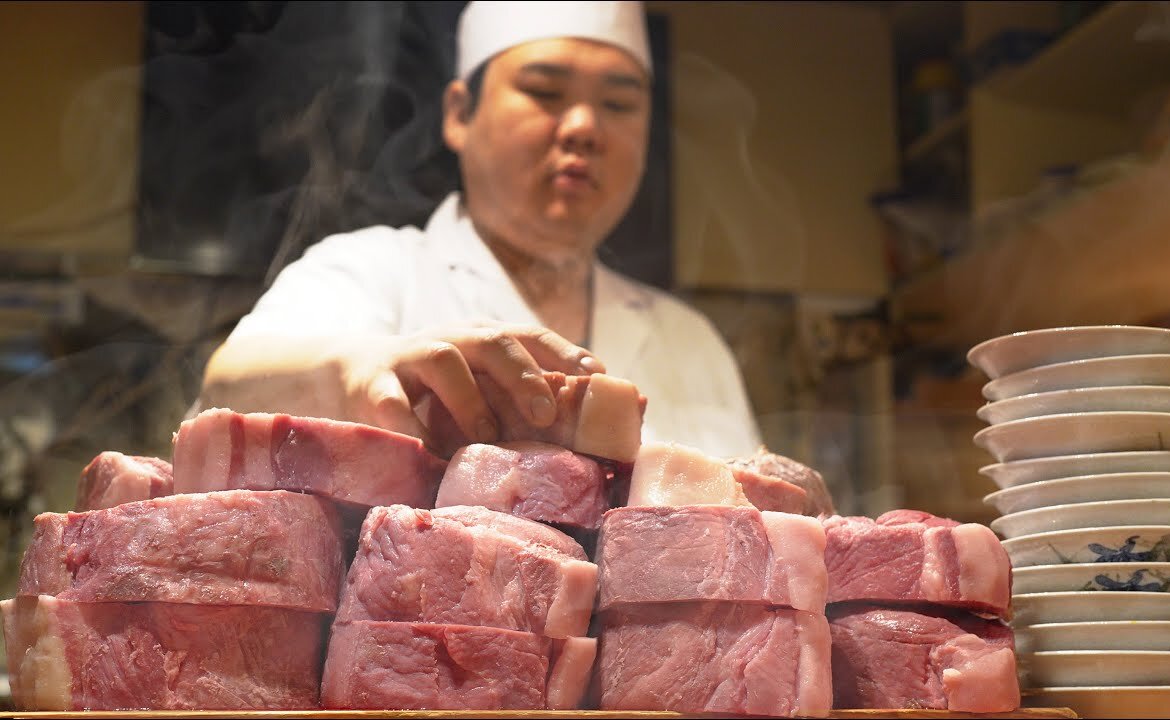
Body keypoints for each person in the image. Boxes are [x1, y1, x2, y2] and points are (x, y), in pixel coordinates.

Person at [197, 0, 762, 458]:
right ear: (459, 113)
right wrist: (360, 371)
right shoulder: (370, 271)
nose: (585, 127)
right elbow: (227, 385)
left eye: (618, 103)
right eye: (544, 91)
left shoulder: (692, 342)